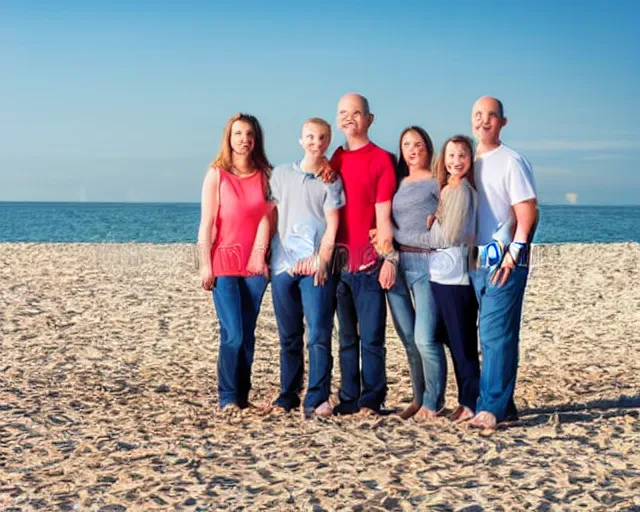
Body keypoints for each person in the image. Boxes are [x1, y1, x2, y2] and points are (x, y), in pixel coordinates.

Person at [395, 135, 481, 423]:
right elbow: (444, 228)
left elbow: (447, 236)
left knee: (462, 343)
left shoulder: (463, 190)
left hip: (455, 276)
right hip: (440, 274)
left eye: (462, 156)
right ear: (444, 158)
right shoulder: (448, 188)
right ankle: (464, 401)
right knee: (452, 340)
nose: (456, 161)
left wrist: (394, 235)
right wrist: (436, 217)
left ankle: (470, 402)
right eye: (452, 156)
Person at [467, 96, 538, 430]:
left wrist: (514, 252)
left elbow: (527, 212)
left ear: (502, 122)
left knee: (497, 334)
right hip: (474, 261)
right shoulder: (467, 160)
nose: (484, 121)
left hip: (505, 260)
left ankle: (491, 407)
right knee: (487, 335)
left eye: (491, 116)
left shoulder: (511, 161)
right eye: (478, 115)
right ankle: (503, 404)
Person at [268, 117, 346, 418]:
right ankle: (288, 394)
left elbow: (333, 225)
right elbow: (270, 216)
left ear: (328, 141)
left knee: (318, 334)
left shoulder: (331, 180)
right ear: (301, 140)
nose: (316, 142)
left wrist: (321, 260)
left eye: (322, 137)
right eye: (310, 137)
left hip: (315, 266)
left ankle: (316, 398)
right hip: (283, 266)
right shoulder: (281, 174)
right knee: (288, 336)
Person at [197, 113, 273, 412]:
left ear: (256, 140)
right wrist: (205, 264)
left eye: (249, 134)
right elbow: (206, 224)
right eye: (238, 134)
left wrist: (260, 252)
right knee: (233, 333)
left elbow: (268, 217)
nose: (244, 139)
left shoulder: (266, 174)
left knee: (248, 334)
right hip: (223, 263)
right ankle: (227, 397)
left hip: (255, 266)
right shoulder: (216, 174)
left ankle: (242, 396)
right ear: (229, 138)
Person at [330, 93, 397, 416]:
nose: (349, 118)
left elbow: (383, 216)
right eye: (343, 112)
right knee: (346, 338)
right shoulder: (335, 159)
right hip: (339, 265)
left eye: (356, 113)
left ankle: (372, 399)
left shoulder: (382, 159)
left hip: (370, 263)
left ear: (369, 119)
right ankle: (348, 398)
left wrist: (387, 259)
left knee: (371, 337)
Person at [383, 126, 445, 421]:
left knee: (425, 338)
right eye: (406, 144)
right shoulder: (397, 182)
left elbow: (450, 218)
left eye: (418, 143)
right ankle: (418, 399)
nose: (413, 149)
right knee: (408, 338)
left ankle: (434, 401)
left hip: (427, 264)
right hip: (396, 262)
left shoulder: (436, 182)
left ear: (428, 147)